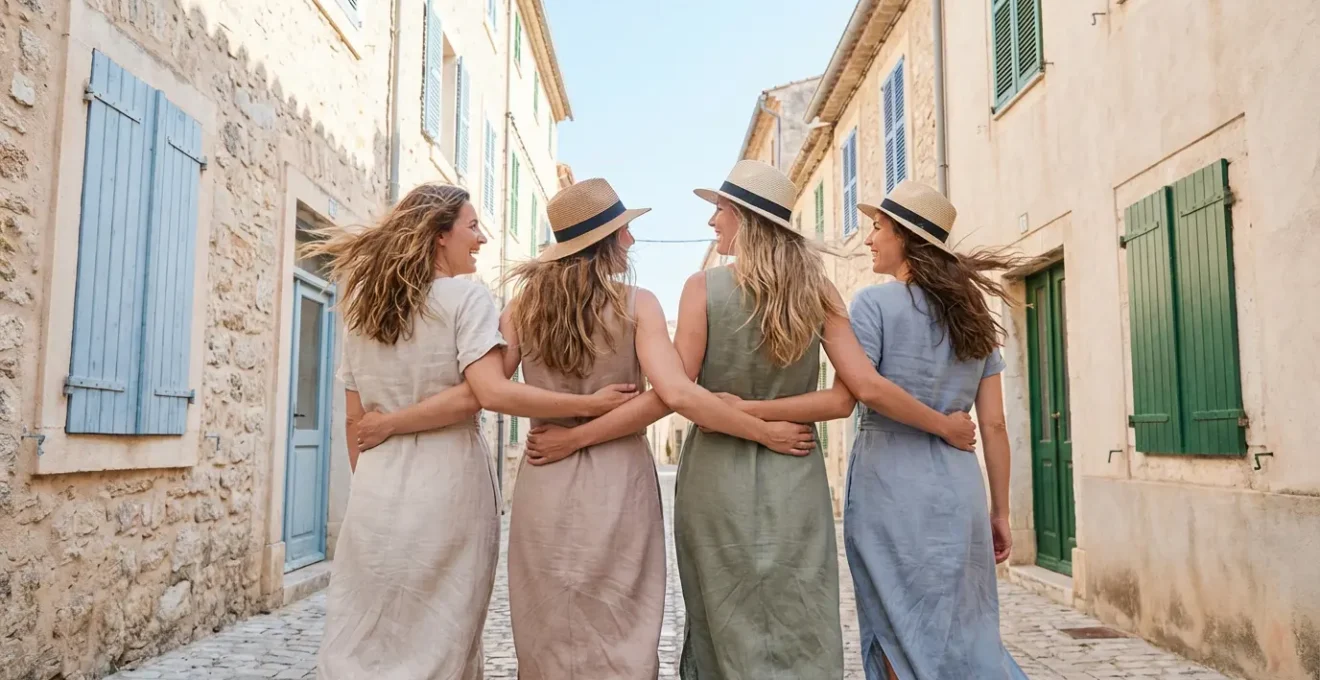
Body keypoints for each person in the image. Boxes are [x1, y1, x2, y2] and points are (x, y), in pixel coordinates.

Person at [355, 180, 816, 679]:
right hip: (619, 480)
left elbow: (486, 390)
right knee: (623, 620)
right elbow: (673, 393)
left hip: (544, 473)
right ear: (604, 241)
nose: (631, 241)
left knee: (547, 621)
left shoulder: (522, 308)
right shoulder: (638, 304)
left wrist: (394, 415)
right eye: (624, 232)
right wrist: (761, 429)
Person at [532, 160, 974, 679]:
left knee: (721, 608)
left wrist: (735, 411)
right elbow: (843, 400)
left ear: (745, 218)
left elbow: (677, 392)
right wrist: (766, 420)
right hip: (795, 466)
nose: (711, 221)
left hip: (715, 474)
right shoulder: (819, 291)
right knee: (799, 606)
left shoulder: (701, 288)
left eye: (719, 209)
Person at [311, 183, 640, 680]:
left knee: (365, 629)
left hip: (376, 486)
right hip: (447, 479)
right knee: (444, 628)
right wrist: (589, 404)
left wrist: (379, 464)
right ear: (439, 235)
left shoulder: (363, 309)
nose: (482, 238)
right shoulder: (465, 297)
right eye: (472, 226)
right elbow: (483, 392)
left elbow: (355, 421)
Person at [736, 180, 1030, 680]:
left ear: (906, 238)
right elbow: (994, 424)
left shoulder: (873, 305)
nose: (869, 239)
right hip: (958, 489)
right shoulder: (974, 316)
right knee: (966, 631)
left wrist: (745, 409)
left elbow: (865, 389)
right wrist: (1000, 512)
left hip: (890, 485)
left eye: (878, 227)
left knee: (896, 622)